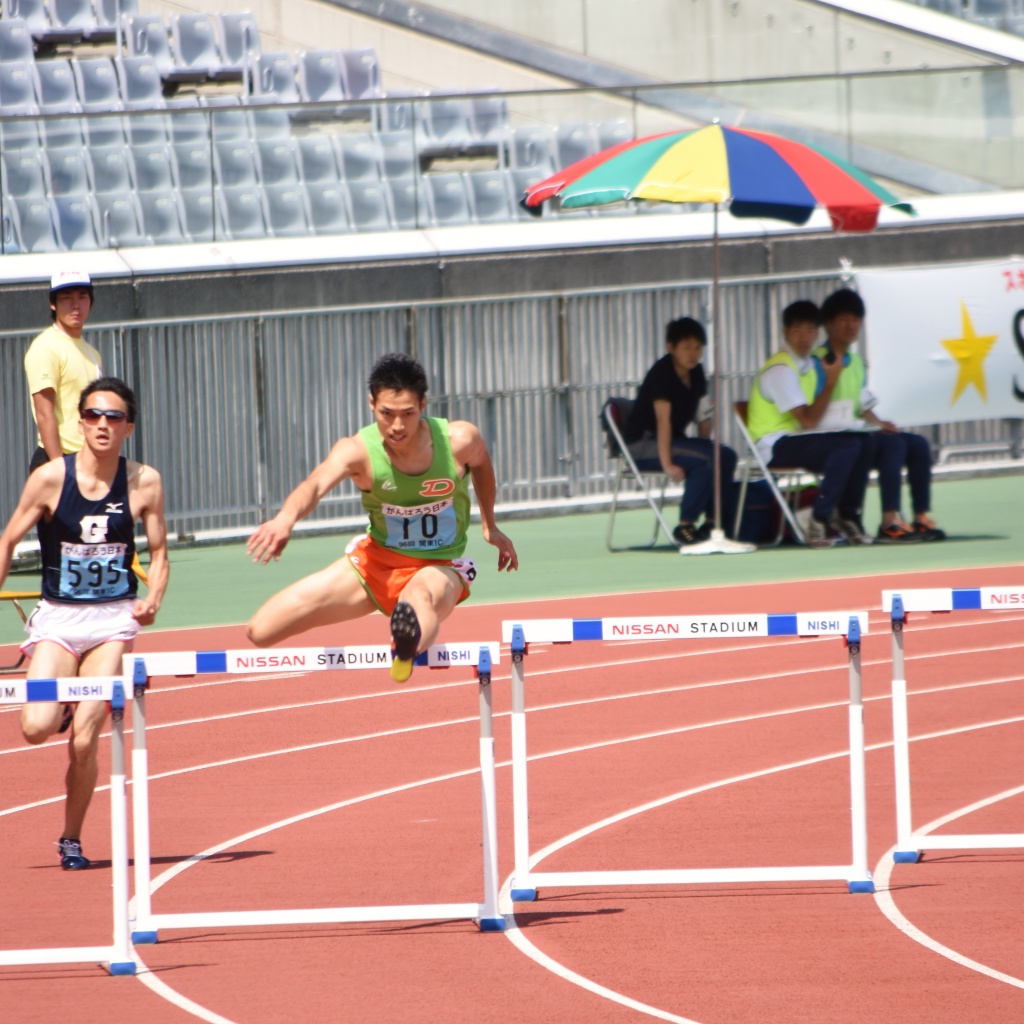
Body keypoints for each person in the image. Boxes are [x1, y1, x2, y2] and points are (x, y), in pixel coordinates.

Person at [246, 353, 518, 683]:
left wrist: (489, 524)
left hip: (437, 566)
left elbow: (482, 465)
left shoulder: (458, 441)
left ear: (423, 404)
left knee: (419, 599)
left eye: (408, 414)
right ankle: (405, 630)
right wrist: (285, 518)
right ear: (371, 403)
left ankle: (406, 647)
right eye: (387, 414)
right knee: (260, 630)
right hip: (374, 564)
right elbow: (315, 484)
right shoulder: (357, 451)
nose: (398, 426)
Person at [0, 377, 169, 870]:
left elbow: (159, 553)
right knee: (35, 727)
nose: (102, 424)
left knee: (85, 738)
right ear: (79, 423)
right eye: (93, 415)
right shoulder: (51, 478)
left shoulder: (145, 481)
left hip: (113, 621)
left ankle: (71, 838)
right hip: (58, 620)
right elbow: (8, 538)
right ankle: (64, 703)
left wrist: (154, 597)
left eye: (113, 417)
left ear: (128, 428)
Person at [817, 288, 944, 543]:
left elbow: (863, 405)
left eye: (856, 320)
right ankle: (889, 522)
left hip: (859, 434)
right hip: (835, 440)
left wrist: (878, 424)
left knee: (917, 444)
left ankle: (920, 517)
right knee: (893, 445)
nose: (851, 326)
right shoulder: (817, 362)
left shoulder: (855, 363)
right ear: (828, 324)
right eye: (844, 319)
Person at [747, 300, 874, 548]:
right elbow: (807, 420)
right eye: (797, 331)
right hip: (774, 446)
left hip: (795, 439)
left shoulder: (807, 365)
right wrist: (830, 382)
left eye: (810, 331)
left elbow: (811, 419)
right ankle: (819, 518)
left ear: (818, 333)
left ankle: (847, 514)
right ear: (785, 331)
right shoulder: (781, 370)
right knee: (846, 447)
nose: (804, 338)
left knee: (864, 442)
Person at [623, 317, 739, 546]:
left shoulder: (696, 372)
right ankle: (685, 525)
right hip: (643, 444)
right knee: (705, 461)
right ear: (671, 348)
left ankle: (714, 522)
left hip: (672, 440)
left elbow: (703, 416)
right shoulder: (661, 374)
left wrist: (706, 443)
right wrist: (667, 465)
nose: (693, 354)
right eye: (686, 347)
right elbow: (663, 421)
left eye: (698, 348)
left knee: (726, 456)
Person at [24, 270, 103, 475]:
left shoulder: (92, 353)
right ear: (53, 303)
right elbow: (44, 412)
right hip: (59, 459)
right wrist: (60, 466)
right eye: (66, 298)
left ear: (91, 302)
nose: (75, 304)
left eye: (82, 297)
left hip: (87, 457)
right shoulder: (46, 347)